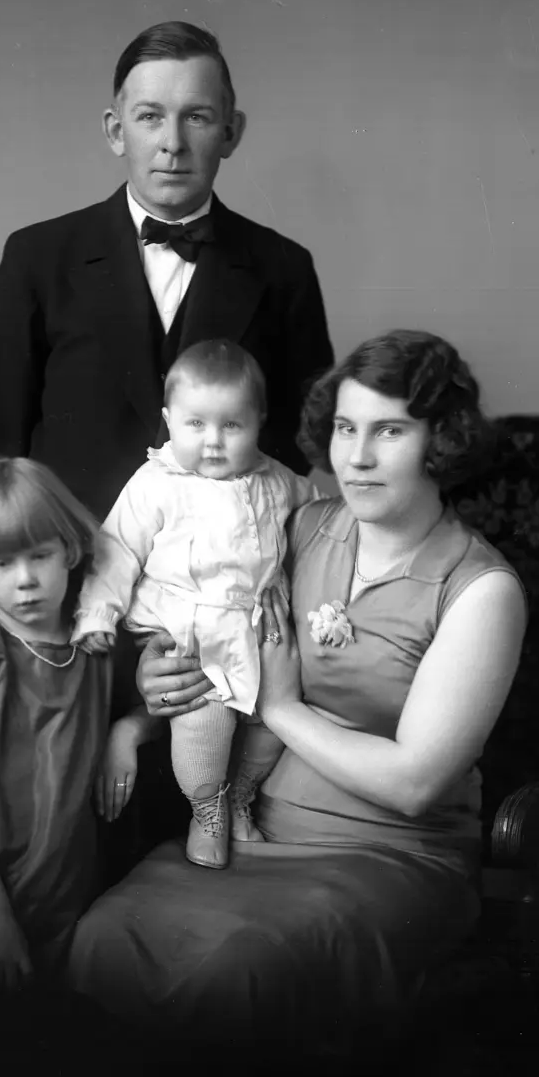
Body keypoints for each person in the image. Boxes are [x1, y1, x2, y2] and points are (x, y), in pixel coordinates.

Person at [67, 330, 528, 1077]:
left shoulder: (481, 590)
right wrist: (156, 680)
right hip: (259, 830)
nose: (358, 457)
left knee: (238, 972)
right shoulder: (301, 524)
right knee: (103, 935)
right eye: (346, 428)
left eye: (389, 431)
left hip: (390, 856)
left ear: (441, 441)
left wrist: (280, 709)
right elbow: (205, 611)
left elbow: (415, 783)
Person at [0, 21, 333, 522]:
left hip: (226, 561)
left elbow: (302, 436)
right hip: (73, 552)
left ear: (230, 132)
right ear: (117, 131)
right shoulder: (37, 256)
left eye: (196, 117)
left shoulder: (284, 268)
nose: (172, 143)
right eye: (150, 117)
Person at [0, 458, 150, 999]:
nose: (26, 580)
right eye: (2, 562)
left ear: (69, 549)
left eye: (40, 555)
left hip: (58, 894)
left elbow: (160, 702)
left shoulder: (94, 642)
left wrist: (126, 732)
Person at [73, 340, 318, 870]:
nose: (213, 441)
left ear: (259, 421)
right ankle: (206, 810)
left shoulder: (279, 482)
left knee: (273, 724)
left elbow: (324, 523)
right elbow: (116, 551)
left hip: (261, 631)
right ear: (168, 421)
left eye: (232, 425)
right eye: (195, 424)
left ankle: (239, 797)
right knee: (203, 731)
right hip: (190, 636)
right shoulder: (156, 484)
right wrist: (97, 614)